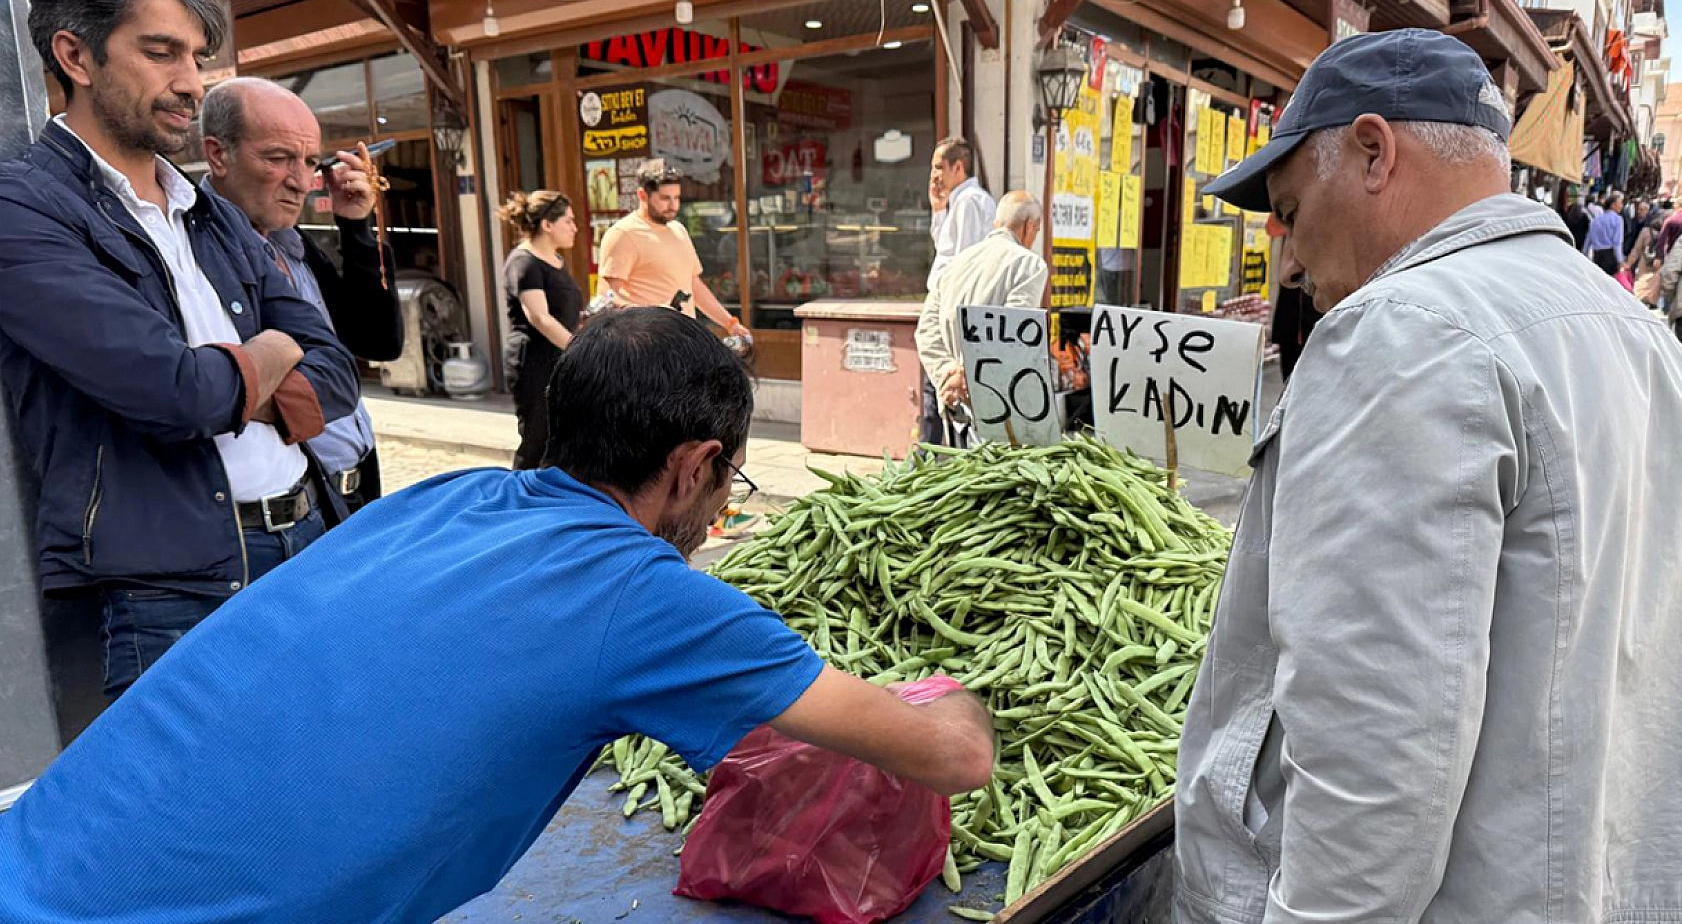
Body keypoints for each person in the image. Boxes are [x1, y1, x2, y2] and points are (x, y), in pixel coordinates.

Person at [0, 308, 998, 924]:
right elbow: (952, 757)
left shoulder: (449, 497)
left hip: (33, 857)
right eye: (727, 481)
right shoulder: (642, 593)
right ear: (696, 465)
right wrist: (955, 698)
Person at [1185, 29, 1682, 923]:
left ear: (1374, 153)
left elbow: (1372, 780)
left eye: (1291, 212)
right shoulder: (1640, 335)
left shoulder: (1401, 334)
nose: (1288, 265)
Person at [0, 0, 358, 700]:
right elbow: (178, 395)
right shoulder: (25, 206)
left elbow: (337, 371)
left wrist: (235, 380)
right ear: (76, 55)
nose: (192, 83)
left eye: (197, 58)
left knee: (321, 760)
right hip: (171, 588)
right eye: (162, 53)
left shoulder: (207, 210)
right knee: (205, 778)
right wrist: (269, 353)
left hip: (309, 537)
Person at [201, 77, 401, 513]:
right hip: (291, 504)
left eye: (310, 162)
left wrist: (356, 228)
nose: (302, 182)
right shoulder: (194, 246)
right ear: (218, 154)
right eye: (278, 158)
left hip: (356, 485)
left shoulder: (292, 243)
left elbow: (379, 342)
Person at [915, 190, 1048, 443]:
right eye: (1037, 230)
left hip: (955, 401)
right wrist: (967, 375)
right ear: (1029, 227)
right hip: (998, 405)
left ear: (996, 223)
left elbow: (926, 330)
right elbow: (1010, 337)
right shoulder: (1029, 265)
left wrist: (949, 372)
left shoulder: (955, 264)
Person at [597, 159, 749, 339]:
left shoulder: (679, 230)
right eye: (665, 198)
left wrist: (729, 323)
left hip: (684, 339)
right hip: (647, 341)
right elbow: (607, 297)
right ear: (642, 195)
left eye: (677, 198)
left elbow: (693, 286)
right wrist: (651, 317)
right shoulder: (623, 233)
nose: (673, 205)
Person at [497, 190, 583, 470]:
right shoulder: (524, 262)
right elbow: (540, 317)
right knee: (537, 440)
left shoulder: (556, 260)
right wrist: (580, 350)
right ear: (547, 225)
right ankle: (519, 493)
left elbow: (563, 313)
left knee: (564, 441)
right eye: (568, 221)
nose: (575, 228)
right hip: (534, 363)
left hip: (561, 361)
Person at [922, 137, 997, 445]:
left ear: (958, 167)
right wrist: (938, 209)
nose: (935, 175)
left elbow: (963, 261)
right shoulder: (961, 201)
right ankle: (929, 453)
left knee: (941, 385)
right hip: (948, 302)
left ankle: (929, 455)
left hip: (952, 305)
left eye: (939, 167)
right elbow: (946, 248)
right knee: (936, 385)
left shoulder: (969, 202)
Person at [1583, 190, 1626, 274]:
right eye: (1620, 203)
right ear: (1613, 205)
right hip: (1610, 255)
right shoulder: (1618, 219)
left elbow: (1588, 240)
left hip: (1596, 255)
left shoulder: (1596, 220)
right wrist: (1620, 261)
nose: (1622, 206)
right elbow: (1617, 242)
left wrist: (1584, 255)